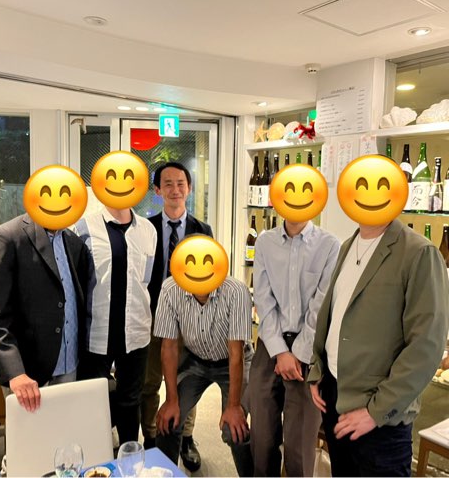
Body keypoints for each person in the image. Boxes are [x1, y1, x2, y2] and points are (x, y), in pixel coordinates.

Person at [308, 219, 449, 476]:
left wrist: (376, 412)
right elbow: (334, 316)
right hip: (335, 399)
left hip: (380, 419)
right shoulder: (347, 246)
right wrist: (318, 369)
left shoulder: (419, 252)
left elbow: (426, 347)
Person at [249, 219, 339, 476]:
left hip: (309, 351)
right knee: (262, 440)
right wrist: (280, 351)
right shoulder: (265, 242)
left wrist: (298, 353)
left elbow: (322, 306)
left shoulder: (329, 245)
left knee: (300, 448)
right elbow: (263, 299)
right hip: (269, 347)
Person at [141, 162, 212, 470]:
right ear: (157, 190)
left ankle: (185, 437)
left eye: (181, 183)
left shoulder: (202, 230)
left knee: (186, 381)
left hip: (188, 321)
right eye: (167, 184)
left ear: (189, 188)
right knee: (149, 383)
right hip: (152, 319)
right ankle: (151, 438)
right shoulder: (145, 228)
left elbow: (210, 276)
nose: (175, 189)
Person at [0, 213, 89, 411]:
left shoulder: (74, 242)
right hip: (27, 377)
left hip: (69, 370)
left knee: (64, 430)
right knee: (28, 432)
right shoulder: (8, 236)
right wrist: (15, 373)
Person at [154, 275, 254, 477]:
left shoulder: (236, 291)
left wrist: (234, 406)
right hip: (195, 360)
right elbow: (169, 347)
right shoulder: (170, 289)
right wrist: (171, 400)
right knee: (169, 421)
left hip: (233, 361)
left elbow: (236, 353)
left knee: (234, 429)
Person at [74, 205, 156, 446]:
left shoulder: (148, 230)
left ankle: (129, 456)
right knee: (90, 402)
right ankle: (94, 456)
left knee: (131, 401)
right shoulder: (83, 228)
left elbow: (146, 280)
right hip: (96, 334)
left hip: (136, 333)